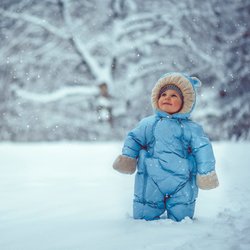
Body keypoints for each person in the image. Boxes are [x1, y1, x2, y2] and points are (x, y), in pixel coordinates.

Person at [113, 72, 219, 222]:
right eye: (163, 94)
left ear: (186, 102)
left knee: (182, 218)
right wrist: (128, 158)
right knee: (144, 216)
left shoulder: (191, 129)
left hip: (182, 180)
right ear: (156, 98)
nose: (167, 98)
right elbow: (134, 139)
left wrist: (206, 173)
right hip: (151, 178)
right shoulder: (148, 124)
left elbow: (203, 149)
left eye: (174, 95)